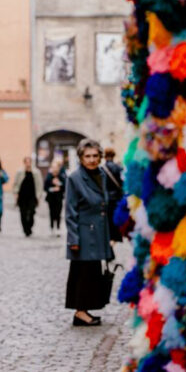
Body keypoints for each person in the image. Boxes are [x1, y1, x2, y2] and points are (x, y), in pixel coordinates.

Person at [65, 139, 114, 327]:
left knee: (92, 273)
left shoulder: (101, 174)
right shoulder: (75, 178)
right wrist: (73, 239)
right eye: (88, 156)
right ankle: (80, 312)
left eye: (95, 156)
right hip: (84, 234)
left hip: (98, 233)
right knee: (82, 273)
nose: (92, 160)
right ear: (80, 158)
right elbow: (70, 211)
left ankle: (85, 309)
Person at [13, 156, 43, 237]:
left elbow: (40, 185)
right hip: (22, 196)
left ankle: (30, 225)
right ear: (24, 163)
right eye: (26, 162)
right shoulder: (20, 172)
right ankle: (26, 229)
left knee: (32, 212)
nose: (28, 164)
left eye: (29, 162)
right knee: (23, 213)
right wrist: (16, 194)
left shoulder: (36, 172)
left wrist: (39, 196)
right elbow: (15, 184)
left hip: (32, 196)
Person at [101, 147, 125, 243]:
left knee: (108, 218)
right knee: (116, 217)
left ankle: (110, 237)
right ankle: (116, 236)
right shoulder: (119, 168)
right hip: (118, 196)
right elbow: (123, 182)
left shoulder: (102, 169)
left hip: (107, 197)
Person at [44, 160, 67, 237]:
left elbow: (65, 186)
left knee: (58, 213)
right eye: (53, 167)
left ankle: (58, 227)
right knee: (51, 213)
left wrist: (59, 184)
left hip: (59, 198)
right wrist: (52, 189)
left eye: (56, 167)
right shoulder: (49, 176)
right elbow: (45, 187)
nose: (55, 169)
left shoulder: (62, 176)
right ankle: (51, 227)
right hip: (51, 198)